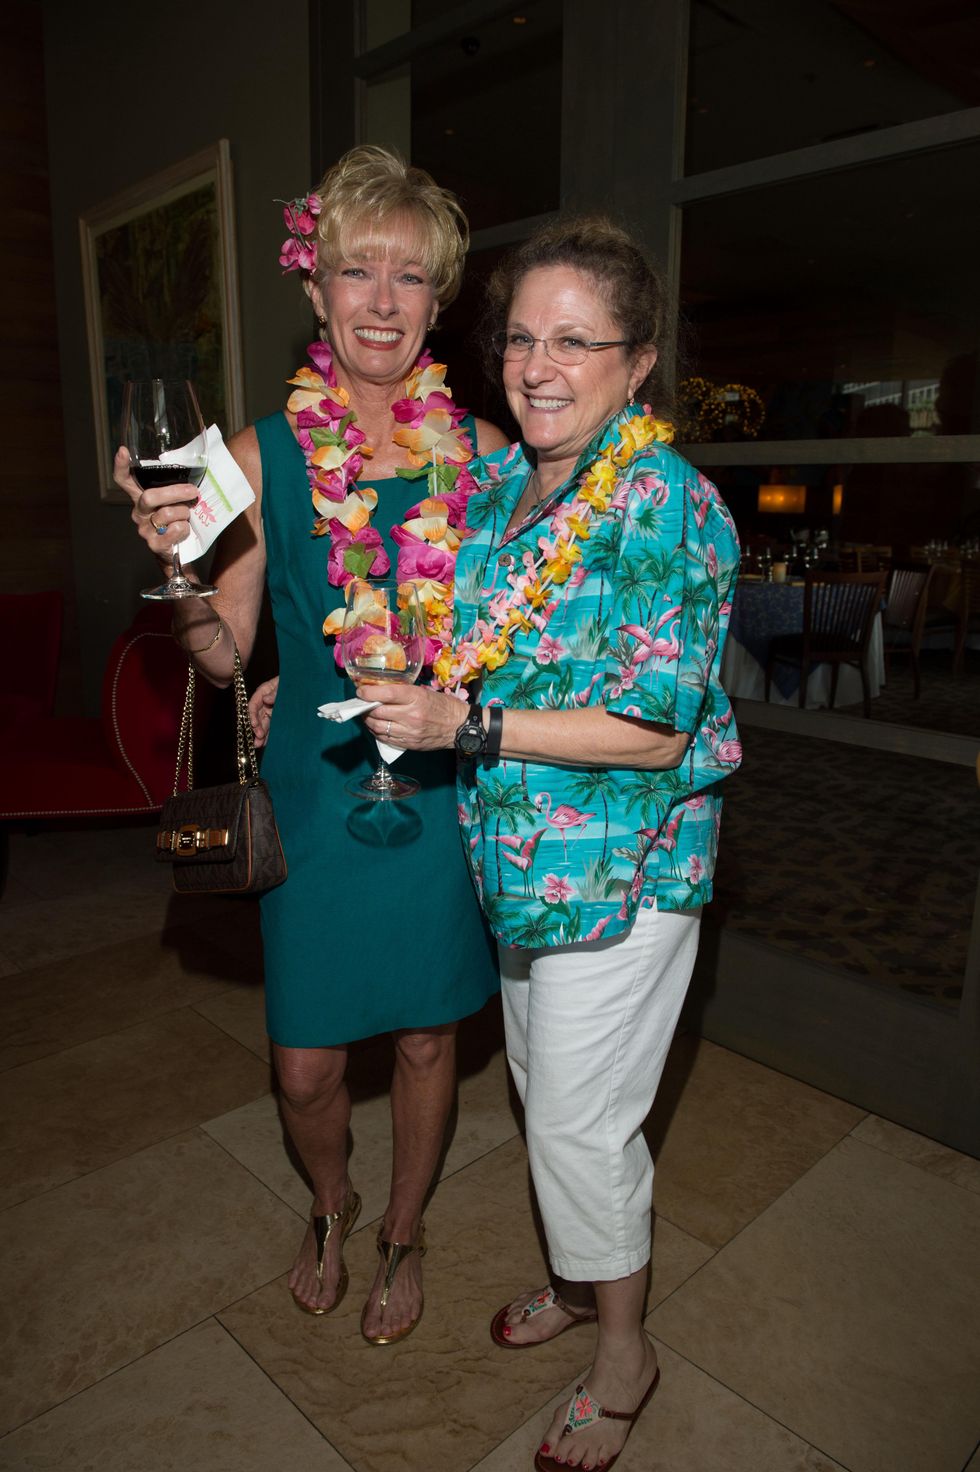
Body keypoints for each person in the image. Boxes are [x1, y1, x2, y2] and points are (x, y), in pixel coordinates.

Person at [360, 217, 741, 1469]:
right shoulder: (507, 489)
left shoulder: (660, 502)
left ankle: (622, 1348)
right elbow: (473, 646)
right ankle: (584, 1279)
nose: (537, 363)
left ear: (636, 365)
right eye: (522, 334)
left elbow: (646, 725)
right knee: (544, 1091)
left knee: (578, 1123)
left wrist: (465, 717)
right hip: (517, 862)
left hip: (625, 870)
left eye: (575, 340)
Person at [115, 145, 507, 1345]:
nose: (380, 301)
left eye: (406, 276)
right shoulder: (251, 453)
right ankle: (328, 1204)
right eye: (355, 272)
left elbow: (522, 636)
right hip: (318, 797)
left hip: (434, 788)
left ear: (437, 300)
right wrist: (176, 562)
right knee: (303, 1067)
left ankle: (400, 1226)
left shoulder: (486, 458)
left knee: (432, 1033)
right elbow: (228, 656)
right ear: (317, 290)